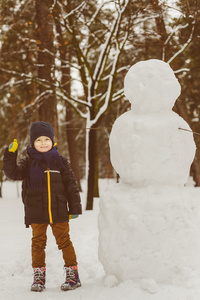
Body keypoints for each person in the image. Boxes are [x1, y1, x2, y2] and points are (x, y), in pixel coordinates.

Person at [3, 121, 82, 292]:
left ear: (53, 141)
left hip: (58, 209)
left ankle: (73, 274)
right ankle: (39, 277)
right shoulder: (28, 162)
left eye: (47, 138)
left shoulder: (60, 161)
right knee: (38, 243)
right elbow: (13, 174)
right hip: (36, 209)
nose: (43, 142)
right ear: (32, 143)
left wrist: (75, 208)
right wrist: (10, 156)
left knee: (64, 242)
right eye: (39, 140)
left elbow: (71, 185)